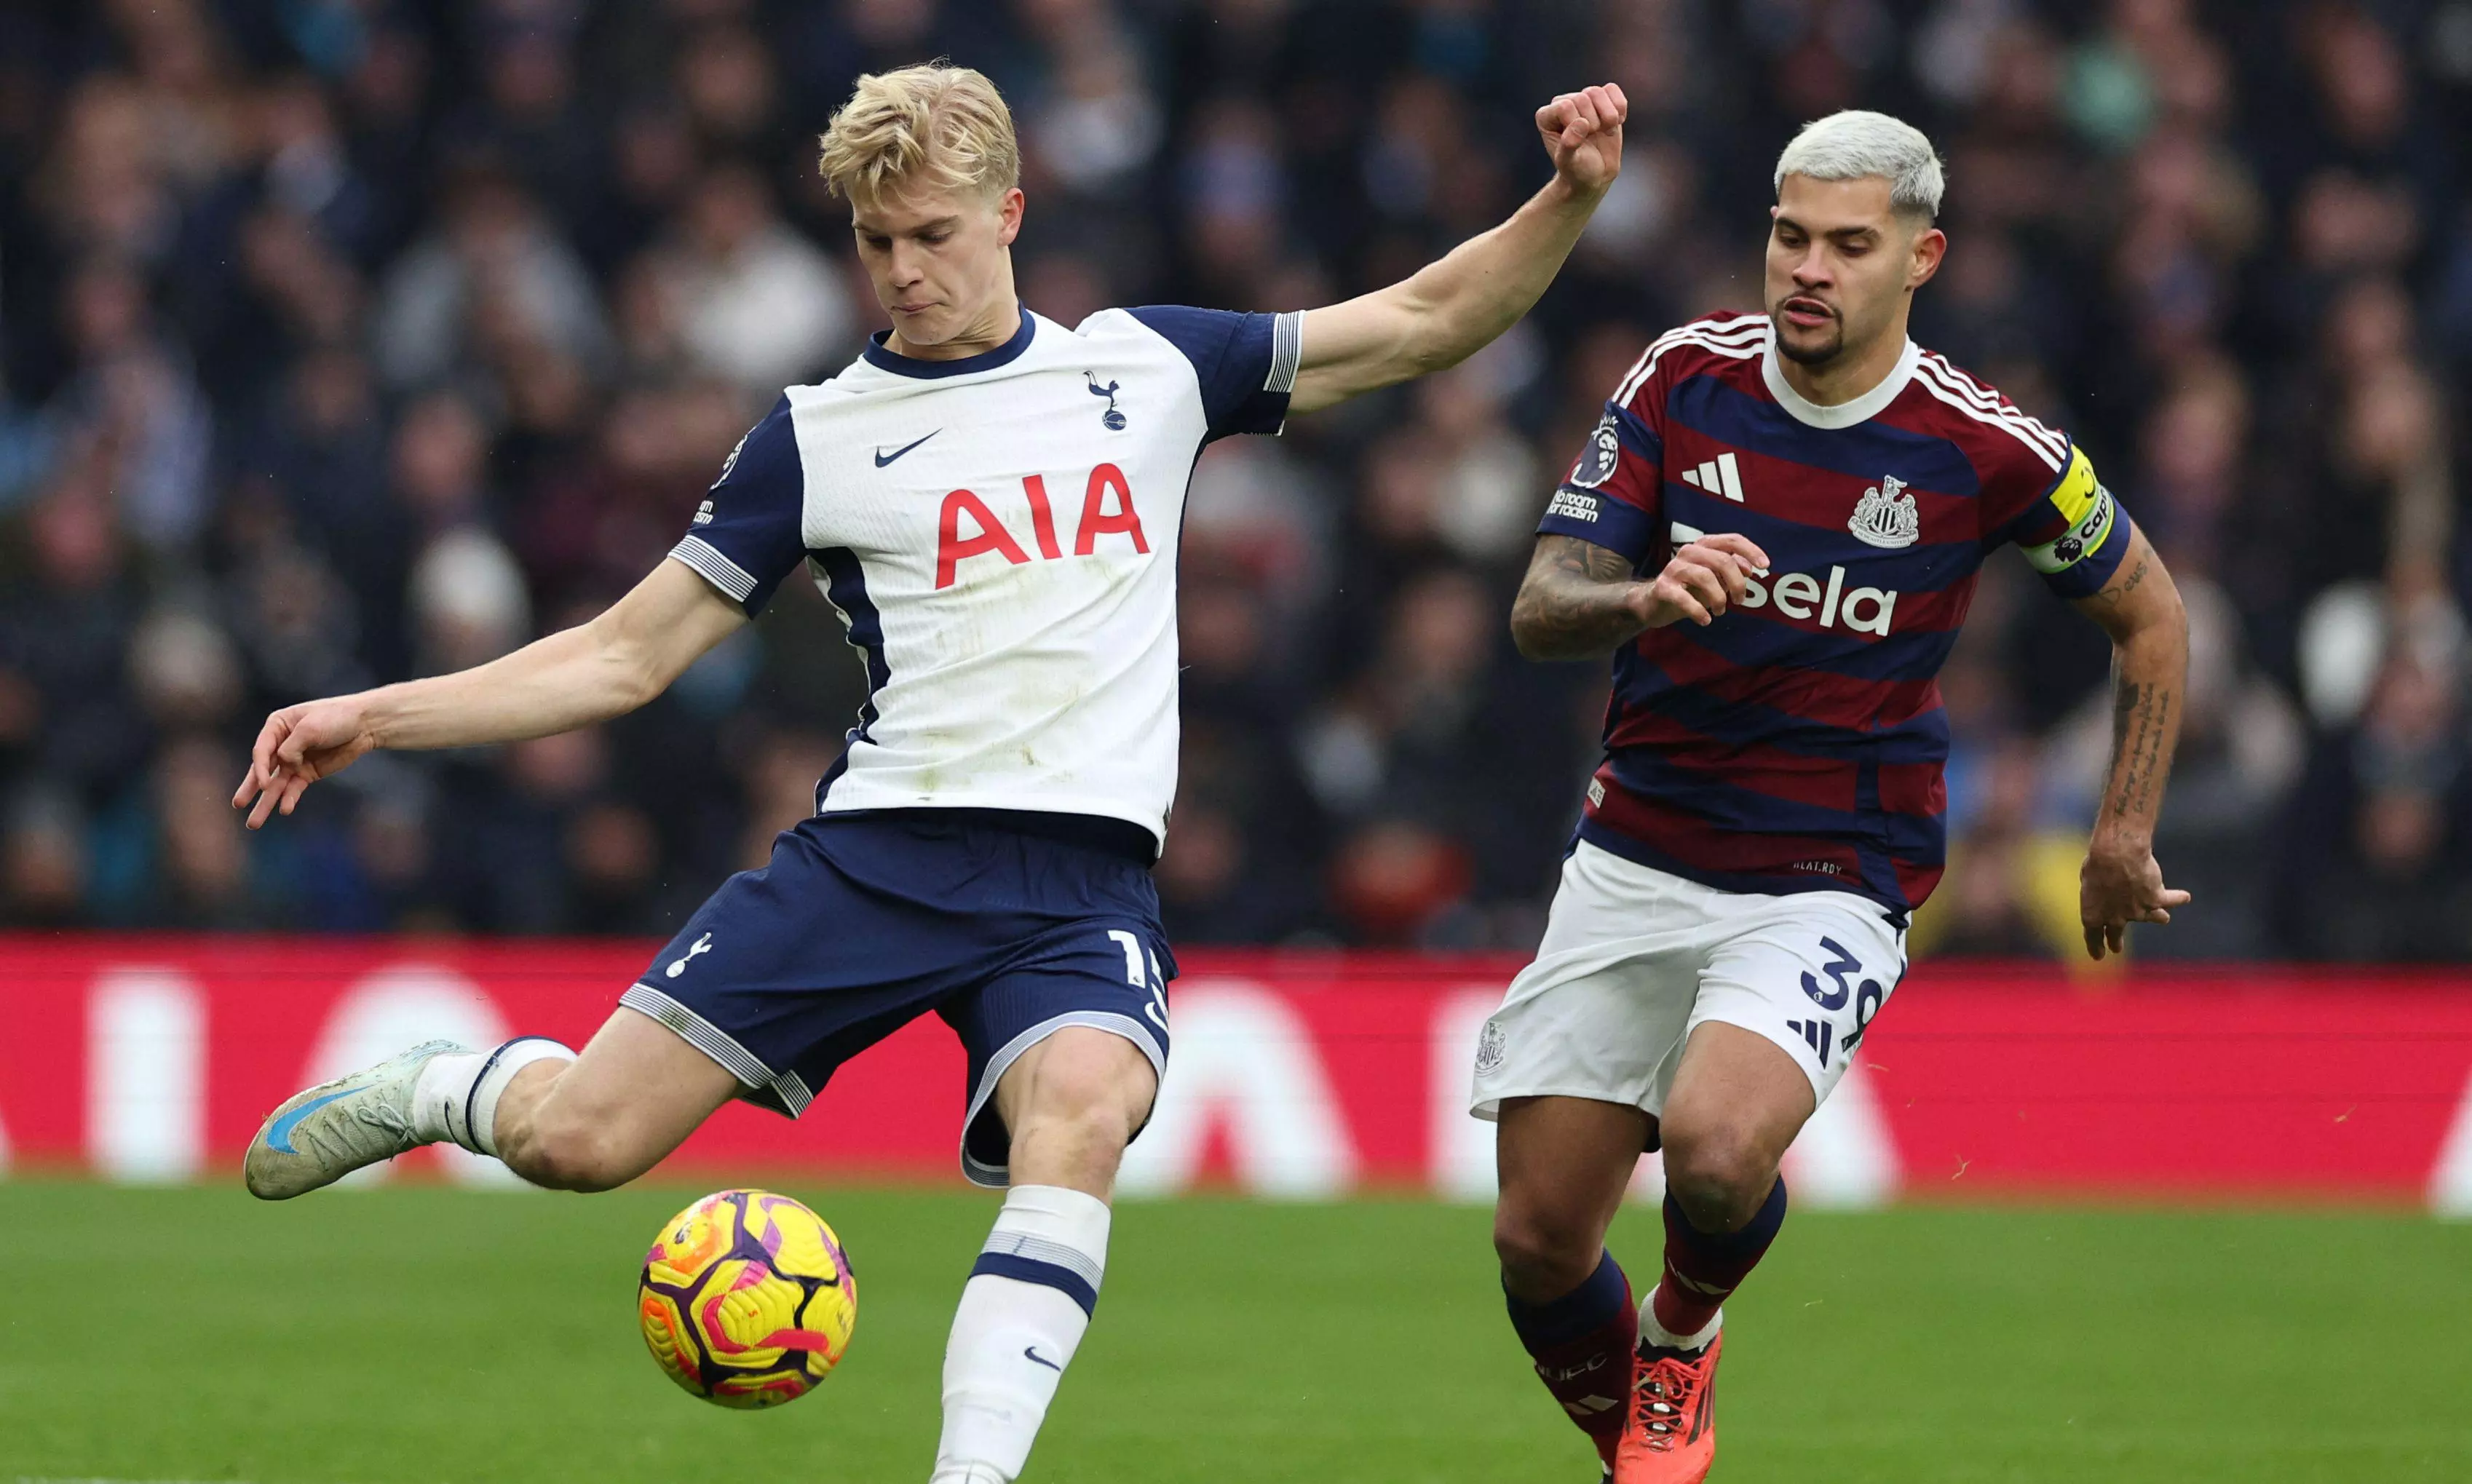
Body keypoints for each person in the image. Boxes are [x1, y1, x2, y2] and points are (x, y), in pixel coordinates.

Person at [230, 63, 1628, 1484]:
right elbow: (621, 656)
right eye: (875, 240)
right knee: (582, 1141)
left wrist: (1566, 199)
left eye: (934, 235)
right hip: (879, 854)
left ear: (1010, 212)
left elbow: (1427, 317)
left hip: (1077, 880)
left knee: (1078, 1115)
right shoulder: (815, 437)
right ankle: (440, 1085)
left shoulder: (1142, 370)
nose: (903, 270)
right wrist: (378, 714)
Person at [1475, 111, 2190, 1484]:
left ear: (1921, 258)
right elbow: (1539, 605)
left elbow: (2152, 617)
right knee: (1538, 1243)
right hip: (1636, 851)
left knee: (1718, 1150)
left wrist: (2122, 830)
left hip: (1830, 875)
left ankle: (1684, 1335)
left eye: (1848, 246)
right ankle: (1644, 1439)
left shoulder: (1986, 447)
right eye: (1789, 235)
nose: (1808, 268)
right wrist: (1643, 591)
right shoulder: (1686, 379)